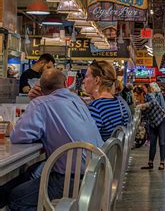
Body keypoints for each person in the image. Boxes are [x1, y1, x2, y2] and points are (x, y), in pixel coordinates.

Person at [0, 69, 103, 210]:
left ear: (40, 87)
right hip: (96, 176)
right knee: (31, 172)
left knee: (16, 197)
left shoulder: (41, 104)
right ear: (66, 84)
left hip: (70, 181)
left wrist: (36, 101)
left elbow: (19, 136)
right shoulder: (77, 100)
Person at [82, 60, 130, 141]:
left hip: (99, 153)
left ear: (97, 80)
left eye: (86, 77)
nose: (83, 81)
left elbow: (85, 140)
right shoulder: (120, 104)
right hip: (113, 153)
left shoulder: (96, 108)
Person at [140, 83, 165, 170]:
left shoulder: (150, 95)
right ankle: (150, 163)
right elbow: (144, 114)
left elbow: (154, 103)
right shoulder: (144, 97)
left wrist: (144, 105)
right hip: (152, 122)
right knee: (152, 143)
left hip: (161, 120)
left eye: (144, 88)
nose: (143, 90)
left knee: (162, 142)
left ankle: (162, 163)